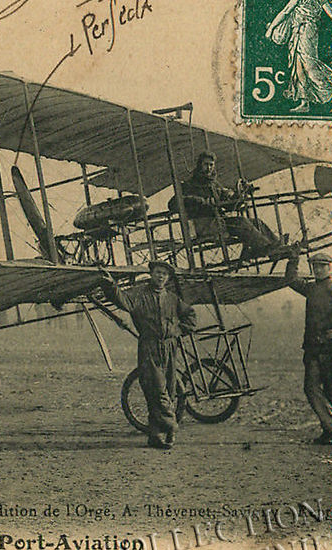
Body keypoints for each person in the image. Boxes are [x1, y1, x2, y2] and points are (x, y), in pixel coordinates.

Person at [100, 260, 196, 449]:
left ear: (167, 278)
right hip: (149, 347)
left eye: (165, 274)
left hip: (169, 347)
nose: (161, 276)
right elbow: (121, 299)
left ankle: (155, 435)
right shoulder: (139, 295)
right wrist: (110, 284)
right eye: (158, 272)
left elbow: (190, 316)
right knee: (157, 389)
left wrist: (179, 330)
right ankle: (171, 427)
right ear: (151, 274)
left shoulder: (172, 299)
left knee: (167, 390)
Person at [285, 249, 332, 444]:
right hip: (313, 348)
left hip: (330, 349)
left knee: (329, 391)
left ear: (329, 267)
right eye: (315, 267)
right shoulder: (311, 289)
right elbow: (291, 280)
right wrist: (293, 259)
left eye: (322, 266)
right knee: (311, 388)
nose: (318, 270)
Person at [172, 151, 288, 261]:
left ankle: (277, 247)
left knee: (257, 222)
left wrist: (239, 195)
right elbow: (173, 204)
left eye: (211, 165)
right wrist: (199, 200)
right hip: (204, 224)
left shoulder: (213, 185)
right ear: (199, 165)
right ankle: (265, 248)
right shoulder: (189, 185)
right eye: (206, 165)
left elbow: (230, 205)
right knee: (241, 221)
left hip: (219, 221)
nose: (209, 168)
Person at [266, 0, 332, 113]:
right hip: (298, 32)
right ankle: (304, 102)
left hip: (306, 32)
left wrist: (271, 28)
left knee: (309, 66)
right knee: (298, 66)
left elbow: (286, 12)